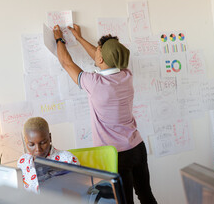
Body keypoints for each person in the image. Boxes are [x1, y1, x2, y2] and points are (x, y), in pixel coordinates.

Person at [53, 24, 157, 204]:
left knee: (124, 201)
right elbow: (105, 58)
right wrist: (79, 38)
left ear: (101, 58)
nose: (95, 52)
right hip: (137, 148)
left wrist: (58, 39)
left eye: (98, 50)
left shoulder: (94, 83)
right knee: (146, 196)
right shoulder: (126, 75)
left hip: (115, 155)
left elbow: (67, 63)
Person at [17, 117, 80, 193]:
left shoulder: (67, 159)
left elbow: (79, 192)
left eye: (42, 143)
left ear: (50, 138)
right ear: (25, 141)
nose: (38, 149)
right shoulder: (23, 162)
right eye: (31, 144)